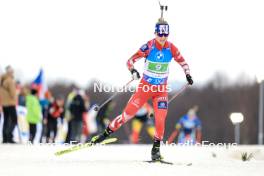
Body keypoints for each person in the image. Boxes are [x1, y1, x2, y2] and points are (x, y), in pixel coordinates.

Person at [91, 17, 193, 161]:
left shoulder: (171, 48)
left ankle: (156, 150)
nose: (163, 37)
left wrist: (188, 74)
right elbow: (130, 61)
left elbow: (183, 62)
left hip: (161, 91)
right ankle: (103, 135)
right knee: (127, 115)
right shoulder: (149, 46)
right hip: (145, 88)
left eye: (166, 34)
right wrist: (133, 70)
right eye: (160, 34)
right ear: (155, 33)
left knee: (160, 119)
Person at [0, 66, 18, 143]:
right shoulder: (10, 81)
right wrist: (16, 95)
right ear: (10, 72)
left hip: (4, 104)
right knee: (14, 120)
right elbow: (13, 93)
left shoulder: (2, 80)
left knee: (6, 120)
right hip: (10, 103)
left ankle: (5, 138)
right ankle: (9, 136)